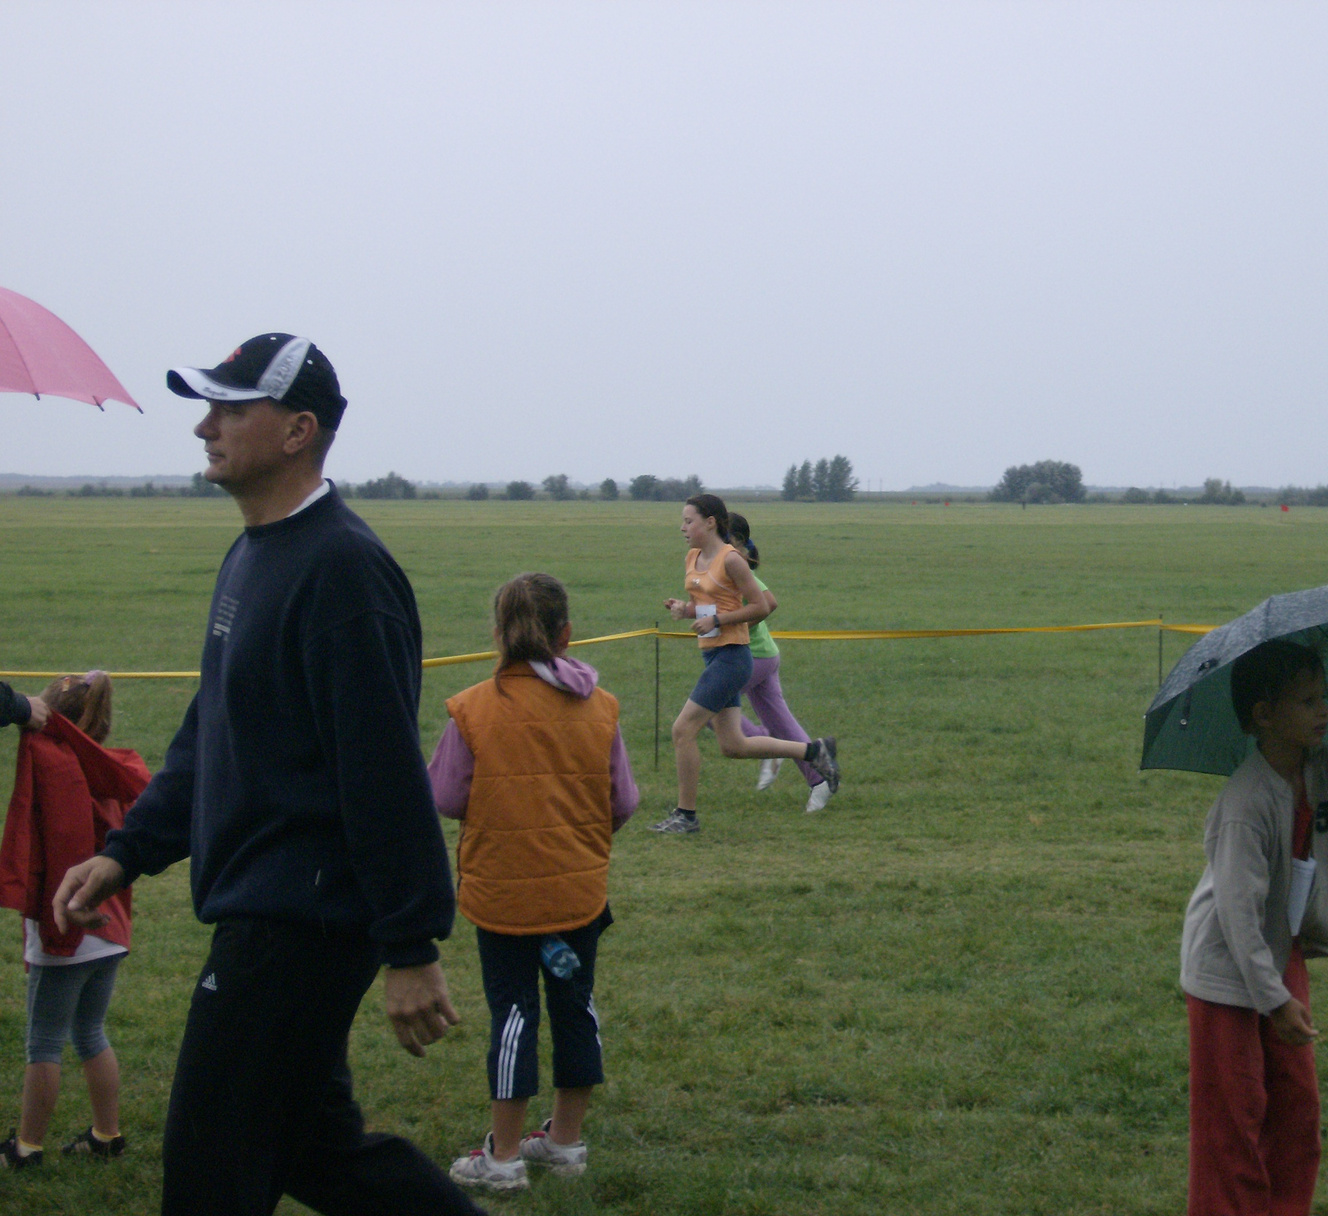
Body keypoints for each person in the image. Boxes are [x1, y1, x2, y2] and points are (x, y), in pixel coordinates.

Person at [52, 333, 486, 1216]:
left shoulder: (343, 572)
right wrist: (129, 850)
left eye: (229, 409)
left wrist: (411, 946)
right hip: (272, 909)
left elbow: (381, 772)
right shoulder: (255, 552)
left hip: (298, 926)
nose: (203, 427)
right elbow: (212, 729)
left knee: (208, 1169)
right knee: (320, 1154)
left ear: (297, 431)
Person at [428, 572, 639, 1190]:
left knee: (514, 1015)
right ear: (567, 635)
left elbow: (444, 795)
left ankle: (503, 1157)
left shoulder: (471, 710)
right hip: (579, 895)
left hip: (503, 897)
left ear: (497, 635)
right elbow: (622, 801)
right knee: (576, 1007)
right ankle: (565, 1143)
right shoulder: (601, 709)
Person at [1180, 640, 1328, 1216]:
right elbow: (1236, 915)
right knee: (1234, 1121)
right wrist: (1273, 1000)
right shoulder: (1245, 803)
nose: (1323, 712)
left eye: (1323, 698)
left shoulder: (1324, 772)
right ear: (1263, 715)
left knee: (1297, 1115)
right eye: (1306, 701)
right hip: (1229, 969)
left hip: (1283, 957)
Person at [0, 672, 146, 1168]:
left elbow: (57, 847)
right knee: (90, 1032)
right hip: (110, 931)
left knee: (42, 1041)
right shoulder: (108, 769)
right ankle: (107, 1134)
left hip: (70, 926)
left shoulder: (58, 770)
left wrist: (53, 930)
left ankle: (25, 1148)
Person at [653, 493, 839, 834]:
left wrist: (719, 622)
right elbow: (708, 607)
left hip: (733, 657)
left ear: (710, 523)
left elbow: (761, 607)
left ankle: (686, 816)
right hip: (712, 654)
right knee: (733, 746)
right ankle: (814, 751)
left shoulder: (732, 560)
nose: (682, 527)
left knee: (683, 730)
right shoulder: (692, 557)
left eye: (688, 521)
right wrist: (685, 610)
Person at [727, 513, 833, 813]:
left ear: (736, 543)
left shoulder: (738, 569)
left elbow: (769, 603)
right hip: (764, 655)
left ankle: (765, 746)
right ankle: (821, 780)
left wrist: (738, 629)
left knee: (709, 710)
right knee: (782, 724)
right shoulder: (722, 567)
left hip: (754, 656)